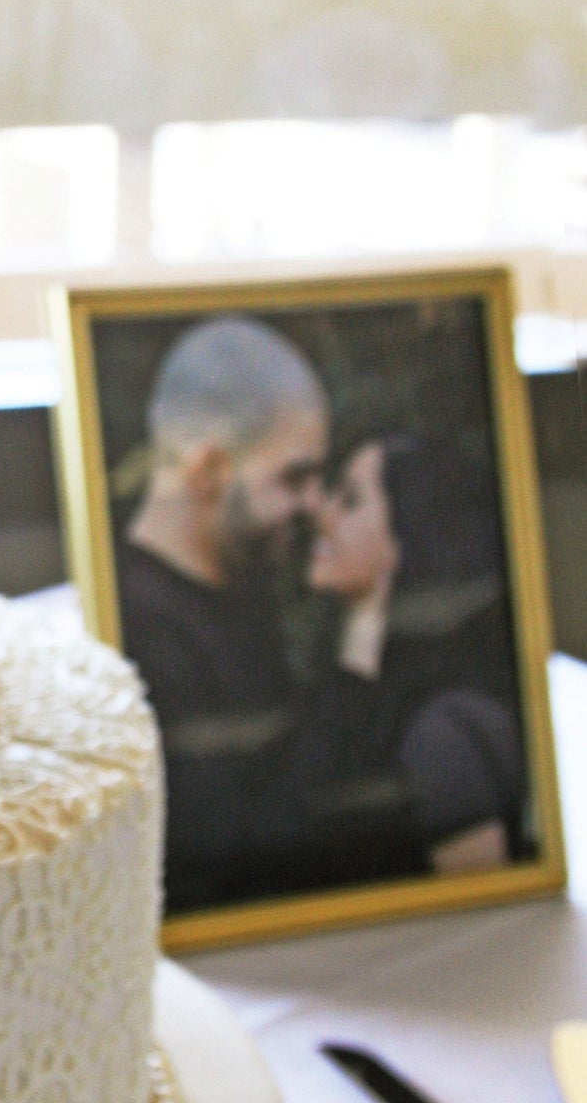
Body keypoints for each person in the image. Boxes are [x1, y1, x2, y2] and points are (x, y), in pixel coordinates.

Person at [117, 315, 419, 912]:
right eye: (295, 477)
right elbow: (266, 832)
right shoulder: (139, 626)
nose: (315, 504)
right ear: (206, 472)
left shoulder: (241, 585)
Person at [308, 433, 525, 873]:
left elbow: (480, 920)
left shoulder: (442, 731)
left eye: (349, 500)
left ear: (407, 532)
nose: (322, 512)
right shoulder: (358, 694)